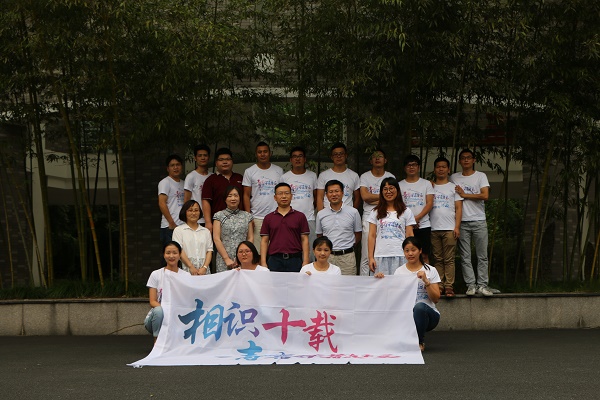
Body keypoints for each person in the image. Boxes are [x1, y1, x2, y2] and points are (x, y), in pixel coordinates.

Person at [375, 237, 441, 351]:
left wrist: (426, 282)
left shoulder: (431, 270)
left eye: (413, 250)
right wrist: (381, 280)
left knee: (419, 307)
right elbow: (393, 297)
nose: (410, 253)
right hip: (406, 316)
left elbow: (436, 299)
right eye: (407, 250)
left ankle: (419, 342)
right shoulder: (399, 272)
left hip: (429, 316)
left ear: (420, 251)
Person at [450, 149, 493, 296]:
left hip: (479, 220)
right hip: (461, 222)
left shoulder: (481, 176)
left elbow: (485, 195)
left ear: (474, 160)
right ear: (459, 161)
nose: (466, 160)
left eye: (469, 157)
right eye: (463, 158)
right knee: (465, 256)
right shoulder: (454, 177)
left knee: (482, 255)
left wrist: (464, 194)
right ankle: (470, 285)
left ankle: (483, 285)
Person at [367, 177, 416, 275]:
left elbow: (410, 235)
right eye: (385, 189)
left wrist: (411, 255)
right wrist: (371, 257)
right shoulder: (375, 212)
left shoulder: (406, 211)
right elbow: (371, 235)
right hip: (380, 256)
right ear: (381, 192)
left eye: (391, 188)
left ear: (397, 190)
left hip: (401, 255)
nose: (388, 192)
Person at [430, 157, 463, 297]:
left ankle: (449, 285)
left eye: (444, 167)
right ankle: (439, 285)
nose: (441, 169)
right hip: (433, 228)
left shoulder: (453, 187)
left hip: (449, 228)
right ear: (434, 170)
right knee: (438, 259)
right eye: (438, 167)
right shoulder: (430, 187)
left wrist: (457, 227)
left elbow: (459, 208)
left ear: (448, 170)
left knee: (449, 259)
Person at [144, 241, 189, 343]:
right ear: (164, 255)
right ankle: (157, 341)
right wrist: (168, 309)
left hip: (177, 316)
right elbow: (152, 301)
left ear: (180, 255)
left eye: (174, 253)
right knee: (158, 310)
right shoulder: (156, 274)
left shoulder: (186, 276)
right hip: (158, 318)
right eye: (168, 253)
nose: (171, 256)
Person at [359, 149, 395, 275]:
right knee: (366, 253)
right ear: (370, 161)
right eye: (374, 156)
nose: (377, 158)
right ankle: (365, 281)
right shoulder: (365, 177)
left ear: (385, 160)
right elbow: (365, 197)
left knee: (382, 251)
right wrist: (384, 198)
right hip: (368, 215)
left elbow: (394, 198)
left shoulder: (390, 177)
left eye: (380, 156)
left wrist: (373, 198)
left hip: (387, 215)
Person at [260, 182, 310, 272]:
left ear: (291, 196)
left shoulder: (300, 216)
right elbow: (264, 241)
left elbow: (304, 239)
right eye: (280, 193)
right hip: (274, 260)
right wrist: (263, 262)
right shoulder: (268, 218)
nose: (283, 196)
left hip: (295, 259)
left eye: (287, 193)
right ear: (275, 197)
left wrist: (305, 261)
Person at [243, 142, 283, 250]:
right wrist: (249, 217)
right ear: (256, 154)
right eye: (259, 152)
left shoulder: (279, 171)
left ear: (270, 153)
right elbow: (246, 195)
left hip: (276, 215)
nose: (262, 154)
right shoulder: (249, 171)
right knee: (258, 250)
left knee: (276, 249)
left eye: (265, 151)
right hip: (257, 217)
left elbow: (283, 193)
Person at [316, 180, 361, 275]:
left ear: (342, 193)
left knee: (348, 283)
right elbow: (319, 236)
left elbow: (358, 234)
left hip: (347, 257)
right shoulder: (321, 214)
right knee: (327, 283)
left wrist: (349, 246)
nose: (334, 194)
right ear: (326, 195)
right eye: (330, 192)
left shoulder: (353, 212)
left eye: (337, 191)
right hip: (328, 257)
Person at [280, 146, 318, 259]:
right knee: (292, 249)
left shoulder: (312, 176)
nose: (297, 159)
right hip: (289, 218)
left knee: (310, 251)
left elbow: (316, 197)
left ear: (305, 159)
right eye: (295, 157)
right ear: (291, 160)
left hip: (309, 218)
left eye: (300, 156)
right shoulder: (284, 177)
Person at [399, 154, 434, 264]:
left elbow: (429, 203)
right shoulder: (399, 185)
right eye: (409, 165)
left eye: (414, 165)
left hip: (423, 225)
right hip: (405, 226)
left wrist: (416, 218)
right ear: (404, 168)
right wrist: (410, 221)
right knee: (407, 255)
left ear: (418, 167)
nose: (411, 167)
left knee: (424, 255)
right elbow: (398, 205)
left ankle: (425, 275)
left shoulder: (426, 184)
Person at [213, 186, 254, 272]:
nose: (233, 198)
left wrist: (243, 257)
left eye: (236, 195)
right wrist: (226, 258)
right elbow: (216, 239)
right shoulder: (219, 216)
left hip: (243, 259)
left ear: (240, 198)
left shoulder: (247, 216)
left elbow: (250, 238)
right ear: (225, 199)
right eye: (230, 196)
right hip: (223, 259)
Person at [202, 148, 244, 232]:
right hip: (219, 223)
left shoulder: (240, 178)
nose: (225, 162)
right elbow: (206, 201)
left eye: (228, 159)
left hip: (240, 222)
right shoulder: (210, 180)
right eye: (221, 160)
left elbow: (245, 198)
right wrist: (208, 222)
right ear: (216, 163)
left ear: (232, 161)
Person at [172, 200, 213, 275]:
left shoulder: (206, 231)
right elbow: (179, 250)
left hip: (204, 271)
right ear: (185, 212)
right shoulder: (178, 230)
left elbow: (209, 251)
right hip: (186, 270)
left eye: (196, 210)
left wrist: (204, 267)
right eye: (190, 210)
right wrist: (190, 266)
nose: (193, 213)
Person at [316, 143, 360, 211]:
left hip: (347, 214)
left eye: (341, 154)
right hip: (328, 213)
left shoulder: (354, 176)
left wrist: (352, 212)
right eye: (335, 154)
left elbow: (357, 198)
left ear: (346, 155)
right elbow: (319, 197)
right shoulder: (323, 175)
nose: (338, 156)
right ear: (331, 157)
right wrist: (321, 214)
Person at [158, 154, 185, 246]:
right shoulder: (165, 182)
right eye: (172, 165)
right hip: (169, 226)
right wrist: (171, 222)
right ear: (168, 168)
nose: (175, 167)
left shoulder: (184, 183)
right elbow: (162, 203)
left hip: (182, 226)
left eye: (178, 165)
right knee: (171, 253)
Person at [183, 145, 213, 226]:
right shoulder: (191, 176)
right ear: (195, 158)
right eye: (200, 156)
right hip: (196, 218)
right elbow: (186, 200)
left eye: (205, 155)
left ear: (209, 157)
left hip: (211, 217)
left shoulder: (212, 176)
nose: (203, 158)